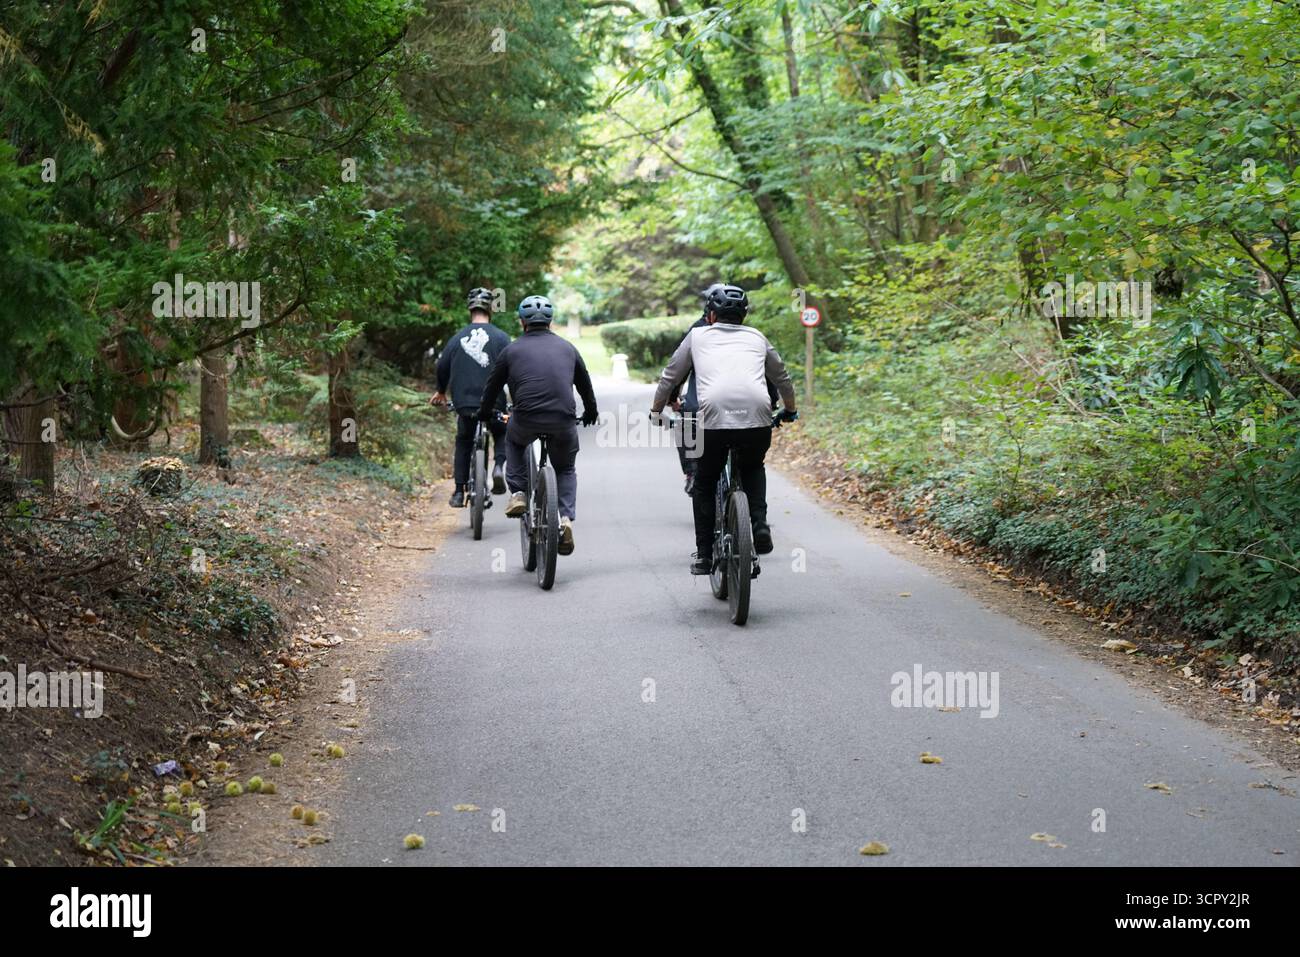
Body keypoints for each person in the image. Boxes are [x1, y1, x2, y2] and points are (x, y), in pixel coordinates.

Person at [650, 284, 797, 575]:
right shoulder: (757, 337)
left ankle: (704, 555)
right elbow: (781, 376)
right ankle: (758, 524)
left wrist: (656, 410)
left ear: (712, 315)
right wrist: (790, 409)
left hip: (713, 419)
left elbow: (671, 375)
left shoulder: (697, 335)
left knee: (704, 483)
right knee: (753, 467)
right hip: (757, 415)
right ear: (744, 315)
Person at [477, 295, 598, 556]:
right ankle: (565, 519)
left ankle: (519, 493)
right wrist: (591, 412)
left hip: (526, 418)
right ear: (551, 321)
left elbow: (492, 386)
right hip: (563, 420)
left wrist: (485, 413)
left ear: (522, 322)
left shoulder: (511, 350)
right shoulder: (568, 348)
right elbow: (584, 383)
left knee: (514, 439)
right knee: (565, 468)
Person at [432, 288, 511, 509]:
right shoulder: (502, 338)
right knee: (501, 431)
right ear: (490, 310)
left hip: (464, 404)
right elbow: (514, 367)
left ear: (470, 309)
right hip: (494, 404)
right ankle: (498, 467)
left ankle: (458, 492)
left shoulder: (457, 338)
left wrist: (440, 391)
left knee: (464, 441)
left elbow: (442, 365)